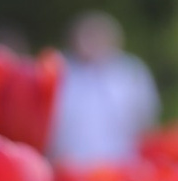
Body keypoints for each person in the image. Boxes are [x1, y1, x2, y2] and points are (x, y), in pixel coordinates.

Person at [51, 11, 159, 164]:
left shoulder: (131, 71)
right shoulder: (59, 70)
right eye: (87, 35)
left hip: (122, 163)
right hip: (69, 164)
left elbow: (145, 118)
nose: (92, 41)